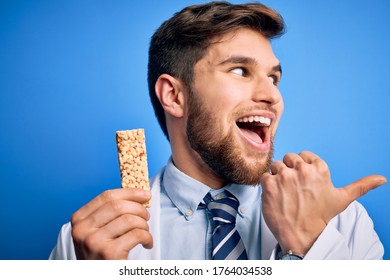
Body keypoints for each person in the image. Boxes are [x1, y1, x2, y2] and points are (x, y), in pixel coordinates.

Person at [49, 1, 386, 260]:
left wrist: (311, 244)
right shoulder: (88, 243)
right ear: (175, 96)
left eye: (273, 77)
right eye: (240, 70)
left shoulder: (340, 223)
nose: (272, 95)